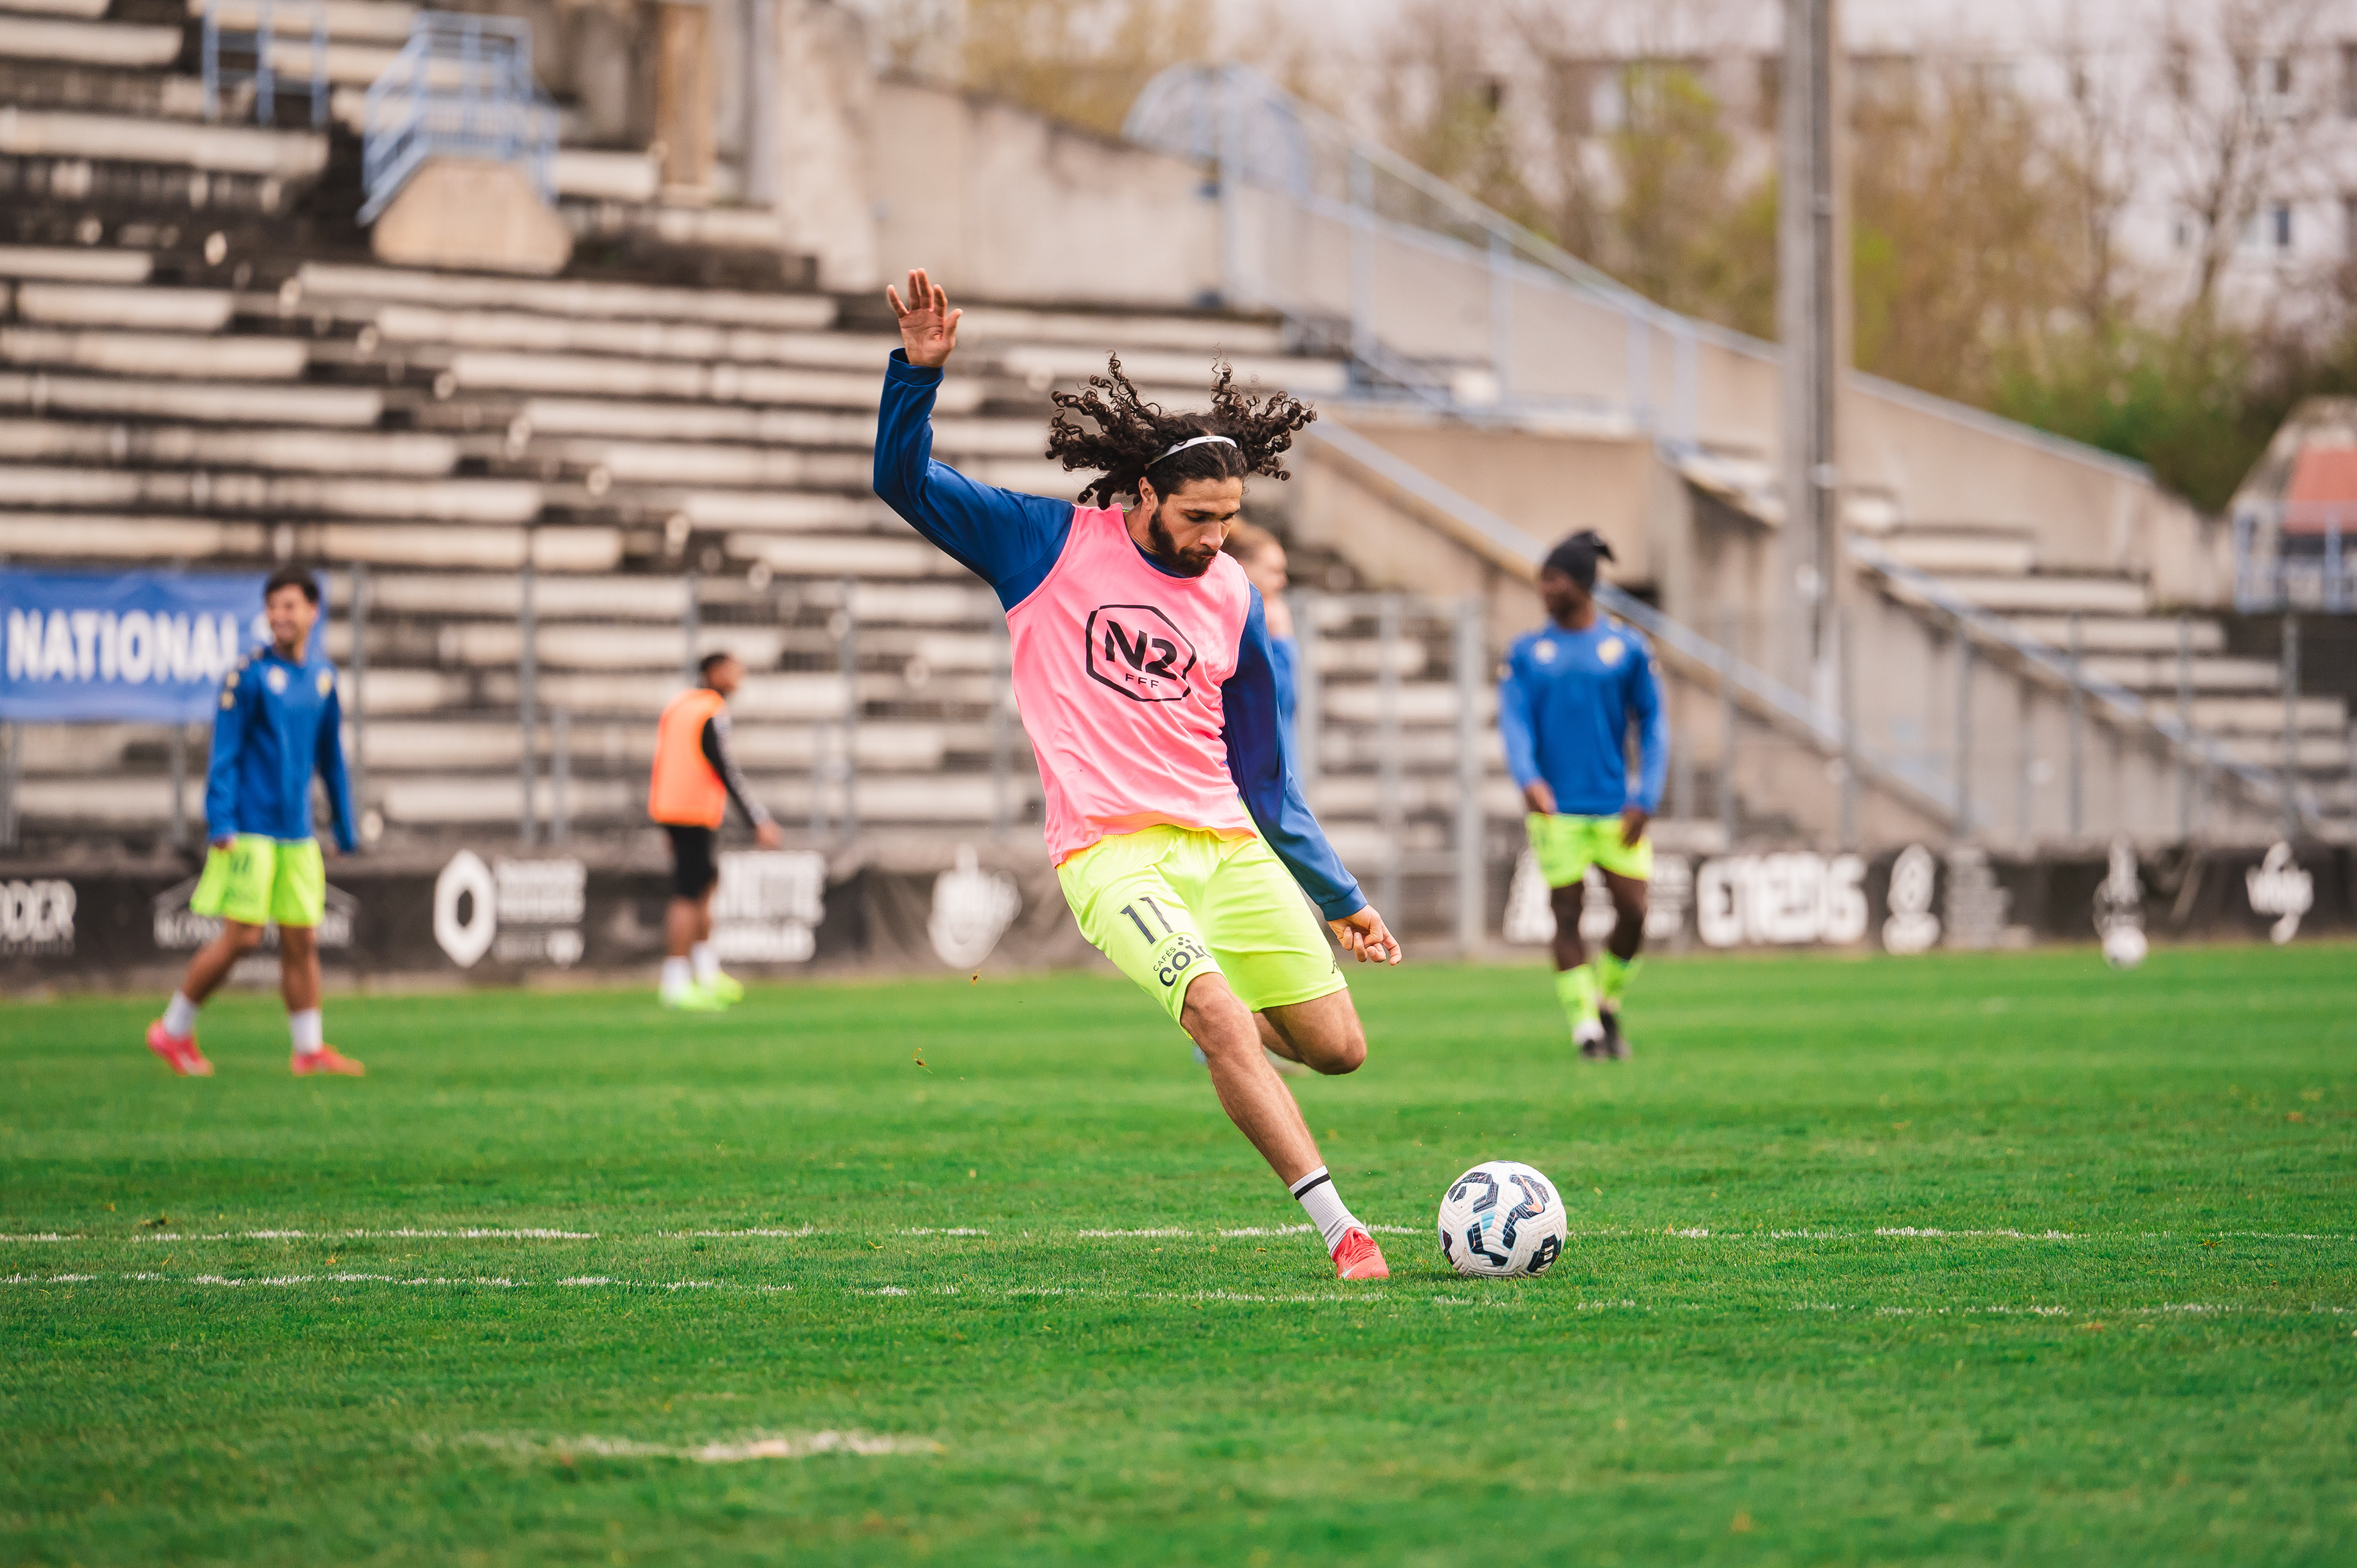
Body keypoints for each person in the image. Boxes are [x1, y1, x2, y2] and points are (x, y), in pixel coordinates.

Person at [875, 268, 1401, 1281]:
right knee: (1214, 1017)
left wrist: (1344, 900)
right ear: (1147, 494)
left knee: (1338, 1048)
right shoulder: (1044, 544)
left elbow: (1266, 776)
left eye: (1230, 520)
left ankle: (1220, 1023)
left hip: (1229, 846)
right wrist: (916, 376)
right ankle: (1345, 1231)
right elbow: (903, 484)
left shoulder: (1236, 594)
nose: (1215, 540)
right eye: (1199, 519)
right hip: (1110, 853)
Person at [146, 566, 362, 1077]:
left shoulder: (324, 677)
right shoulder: (248, 675)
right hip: (249, 828)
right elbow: (225, 754)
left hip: (298, 831)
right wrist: (220, 819)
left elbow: (331, 758)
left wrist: (345, 828)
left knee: (301, 938)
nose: (279, 616)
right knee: (243, 936)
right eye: (272, 607)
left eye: (289, 606)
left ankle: (308, 1049)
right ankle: (172, 1030)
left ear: (313, 610)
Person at [1497, 530, 1668, 1061]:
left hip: (1618, 807)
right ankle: (1586, 1030)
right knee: (1566, 913)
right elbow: (1515, 722)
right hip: (1556, 811)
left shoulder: (1628, 648)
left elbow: (1655, 723)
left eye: (1554, 578)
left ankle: (1607, 1001)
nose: (1544, 588)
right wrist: (1529, 778)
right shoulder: (1528, 652)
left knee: (1634, 911)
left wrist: (1647, 794)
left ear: (1583, 584)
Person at [650, 651, 781, 1010]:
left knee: (705, 886)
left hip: (675, 809)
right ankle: (675, 982)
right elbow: (726, 768)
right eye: (733, 669)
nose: (740, 676)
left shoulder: (679, 705)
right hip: (692, 811)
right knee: (688, 894)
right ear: (715, 672)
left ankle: (706, 974)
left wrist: (664, 818)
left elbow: (664, 760)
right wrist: (758, 820)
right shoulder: (710, 710)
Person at [1222, 523, 1298, 743]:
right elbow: (1277, 699)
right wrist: (1281, 638)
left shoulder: (1272, 616)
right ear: (1242, 567)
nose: (1282, 581)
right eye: (1273, 571)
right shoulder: (1234, 628)